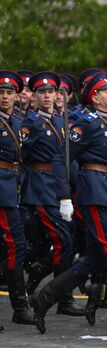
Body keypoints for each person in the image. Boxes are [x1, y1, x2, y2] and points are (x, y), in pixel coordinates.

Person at [29, 71, 107, 341]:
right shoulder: (87, 123)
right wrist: (64, 196)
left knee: (96, 257)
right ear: (95, 97)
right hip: (94, 194)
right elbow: (61, 158)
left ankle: (43, 299)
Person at [22, 71, 84, 316]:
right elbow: (22, 157)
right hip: (41, 188)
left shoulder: (60, 120)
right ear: (34, 96)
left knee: (62, 241)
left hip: (59, 188)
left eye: (51, 92)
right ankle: (60, 296)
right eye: (42, 92)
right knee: (61, 241)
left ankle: (58, 293)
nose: (47, 96)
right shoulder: (31, 122)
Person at [0, 70, 34, 326]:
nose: (4, 97)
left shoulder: (18, 121)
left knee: (15, 245)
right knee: (15, 244)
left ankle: (19, 307)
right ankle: (19, 307)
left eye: (9, 92)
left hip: (12, 188)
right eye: (0, 92)